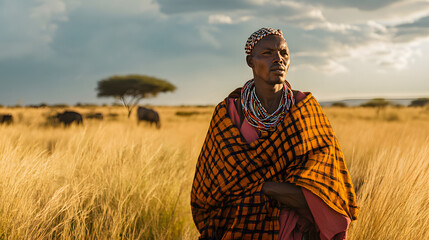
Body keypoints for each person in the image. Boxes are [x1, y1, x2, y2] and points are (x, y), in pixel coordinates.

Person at [191, 27, 359, 240]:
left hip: (296, 231)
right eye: (268, 53)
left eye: (284, 53)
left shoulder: (305, 110)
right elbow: (211, 192)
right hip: (238, 227)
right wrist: (279, 189)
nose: (278, 59)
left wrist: (265, 188)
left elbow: (324, 191)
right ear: (250, 61)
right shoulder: (229, 113)